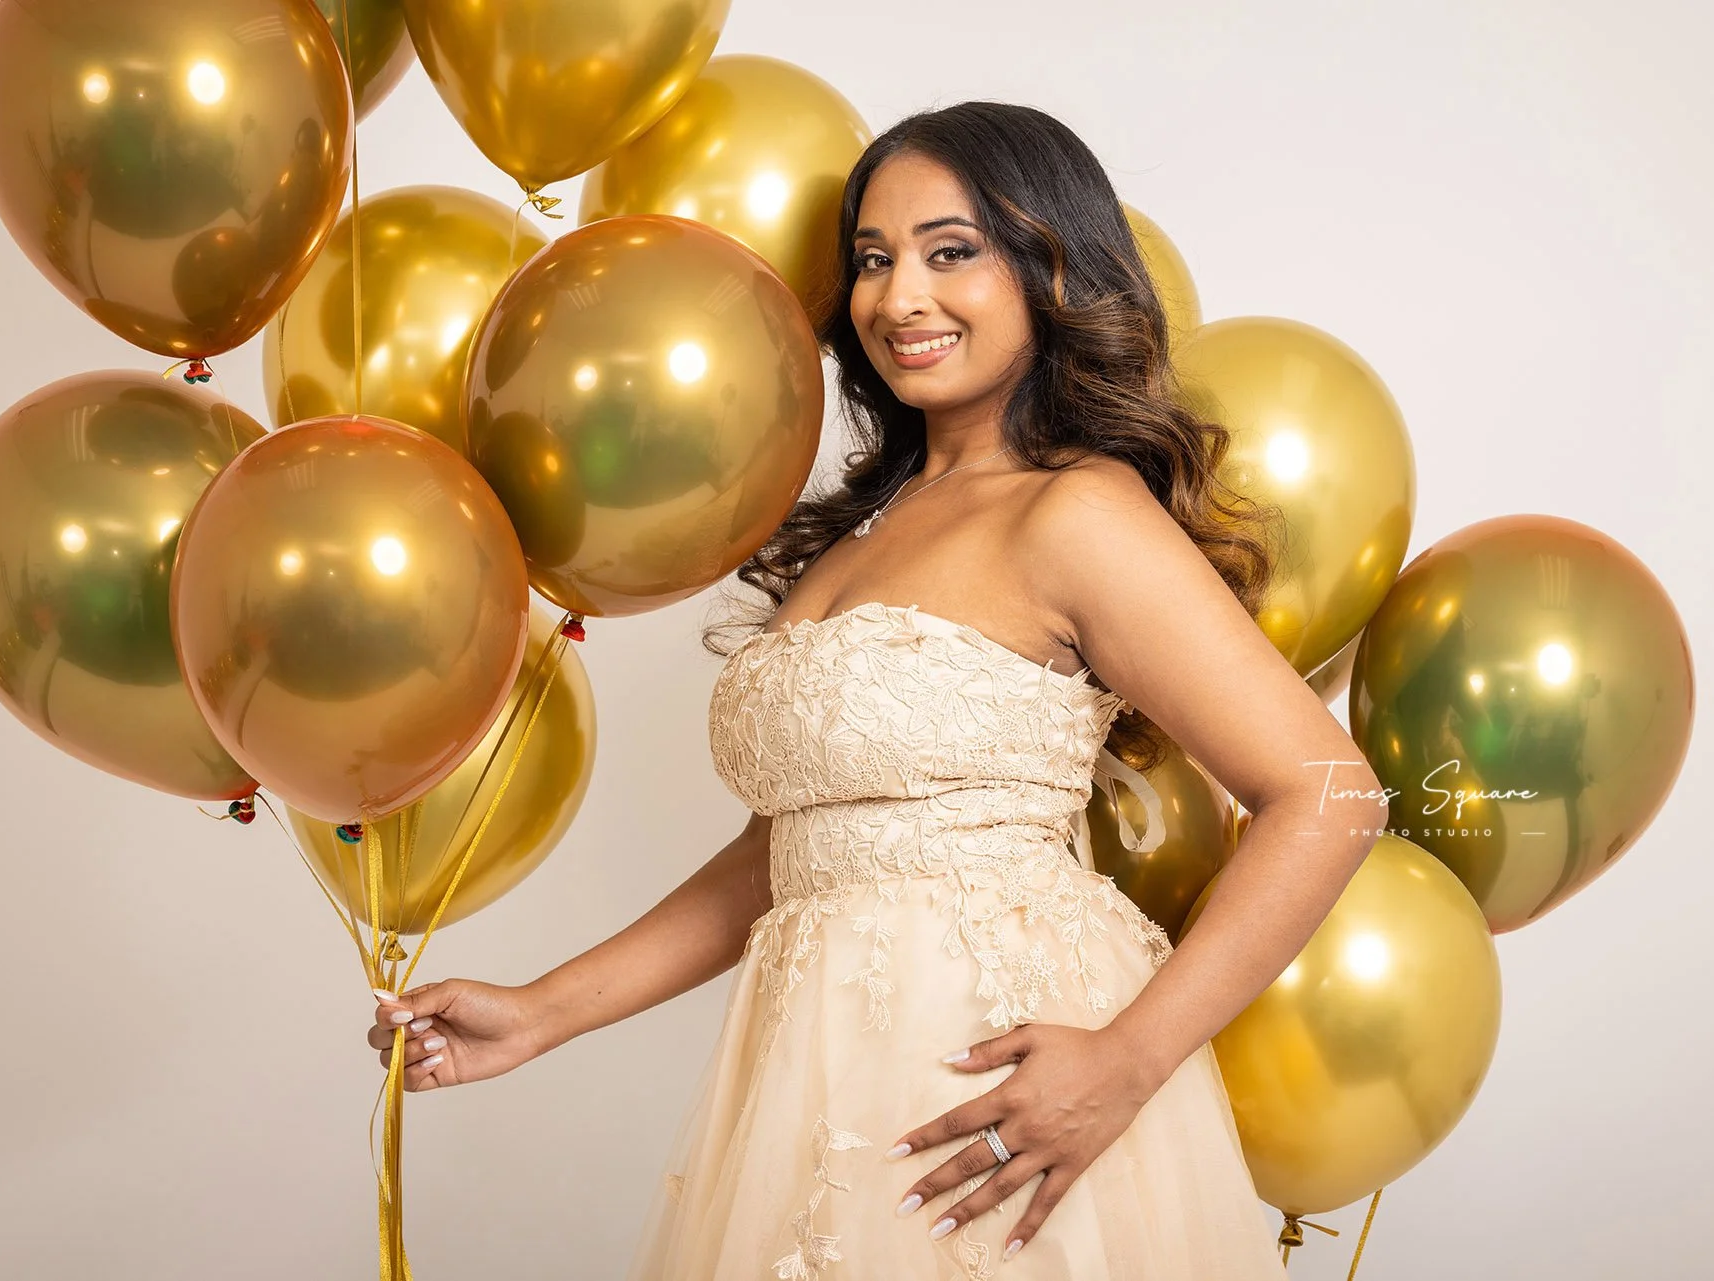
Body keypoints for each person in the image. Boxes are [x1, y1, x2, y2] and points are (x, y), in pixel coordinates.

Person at [366, 101, 1387, 1277]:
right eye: (873, 259)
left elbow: (1331, 797)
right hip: (816, 1074)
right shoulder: (861, 530)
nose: (900, 298)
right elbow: (799, 849)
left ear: (1052, 271)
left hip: (996, 1071)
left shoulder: (1077, 511)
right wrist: (543, 1011)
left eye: (952, 253)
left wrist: (1128, 1061)